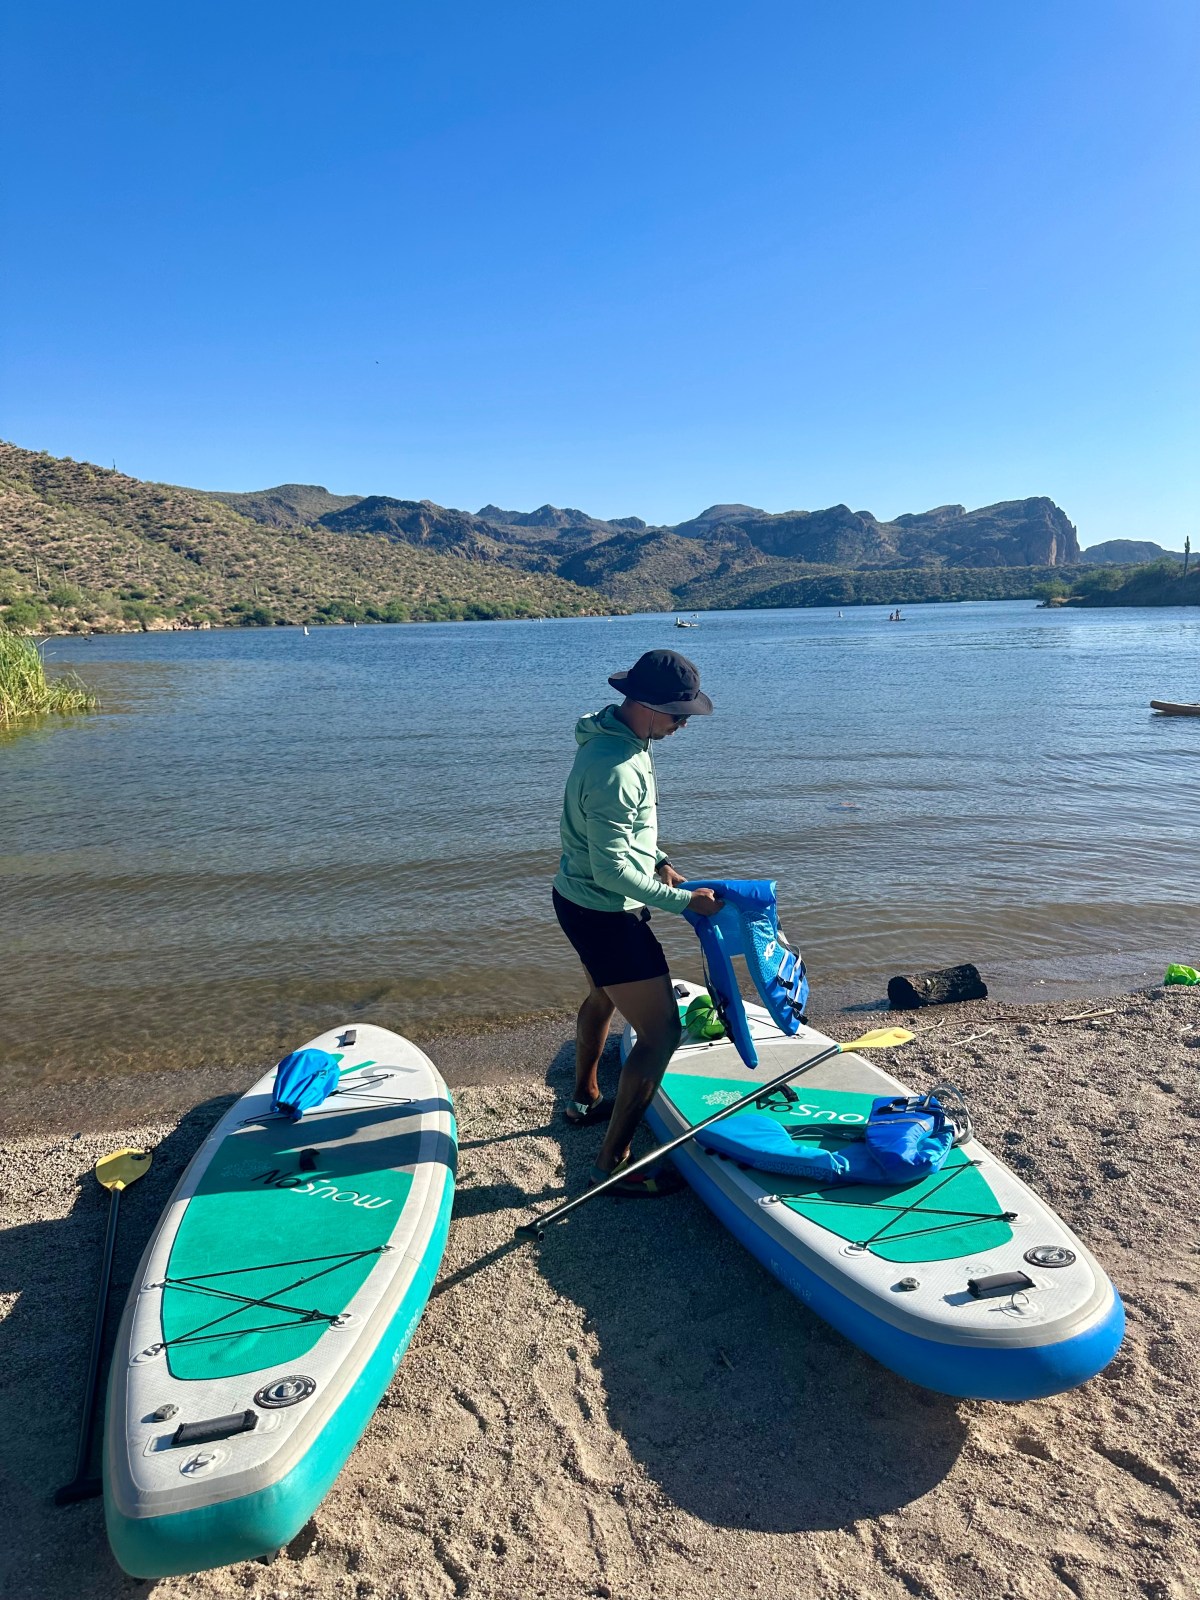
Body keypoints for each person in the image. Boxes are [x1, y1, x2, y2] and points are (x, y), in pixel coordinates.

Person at [552, 650, 723, 1196]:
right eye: (679, 716)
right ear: (647, 706)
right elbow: (611, 869)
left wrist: (660, 857)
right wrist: (686, 903)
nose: (683, 726)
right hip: (603, 912)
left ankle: (584, 1100)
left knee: (604, 995)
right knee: (661, 1032)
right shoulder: (618, 767)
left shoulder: (617, 742)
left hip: (575, 898)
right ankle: (613, 1165)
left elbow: (624, 837)